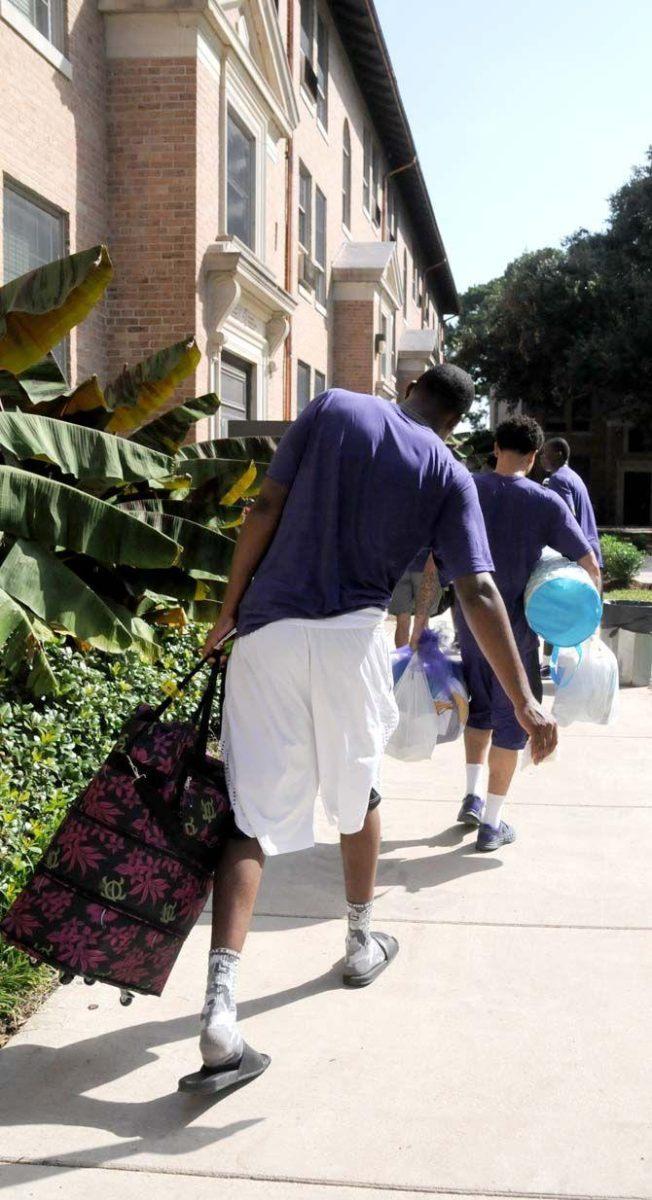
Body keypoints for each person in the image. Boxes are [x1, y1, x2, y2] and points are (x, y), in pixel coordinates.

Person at [181, 369, 558, 1095]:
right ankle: (359, 942)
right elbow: (475, 588)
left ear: (411, 385)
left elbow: (264, 505)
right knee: (361, 796)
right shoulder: (448, 473)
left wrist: (229, 608)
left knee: (248, 819)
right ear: (458, 420)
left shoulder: (332, 407)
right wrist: (525, 700)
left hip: (269, 633)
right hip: (352, 641)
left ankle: (220, 1014)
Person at [413, 416, 599, 855]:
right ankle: (492, 824)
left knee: (477, 715)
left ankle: (472, 797)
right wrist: (585, 623)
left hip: (468, 628)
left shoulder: (464, 490)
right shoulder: (546, 502)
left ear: (496, 447)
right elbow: (588, 563)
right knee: (514, 723)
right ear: (534, 457)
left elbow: (432, 567)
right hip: (516, 638)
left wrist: (420, 623)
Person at [540, 437, 603, 566]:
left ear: (558, 454)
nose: (542, 457)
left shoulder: (558, 479)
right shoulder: (573, 476)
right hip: (589, 551)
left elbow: (566, 518)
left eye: (545, 452)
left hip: (577, 557)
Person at [389, 546, 442, 647]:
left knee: (402, 621)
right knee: (422, 621)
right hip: (426, 564)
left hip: (399, 564)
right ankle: (416, 660)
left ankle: (404, 661)